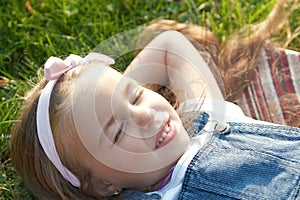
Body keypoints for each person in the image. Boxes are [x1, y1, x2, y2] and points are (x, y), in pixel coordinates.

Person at [10, 0, 300, 199]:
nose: (145, 116)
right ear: (102, 184)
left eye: (136, 96)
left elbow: (169, 45)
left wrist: (99, 92)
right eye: (118, 131)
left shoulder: (206, 118)